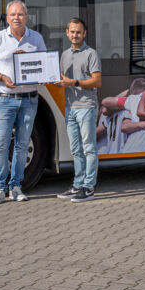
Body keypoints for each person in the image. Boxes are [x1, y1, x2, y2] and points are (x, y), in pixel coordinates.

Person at [0, 0, 46, 205]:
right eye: (12, 15)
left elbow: (44, 65)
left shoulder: (36, 38)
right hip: (5, 98)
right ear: (7, 18)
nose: (17, 18)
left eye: (20, 14)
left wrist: (43, 74)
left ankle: (16, 187)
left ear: (27, 17)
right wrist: (2, 78)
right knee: (0, 145)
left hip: (29, 99)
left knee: (22, 145)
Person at [52, 17, 102, 203]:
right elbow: (63, 82)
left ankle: (89, 188)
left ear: (84, 34)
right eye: (72, 32)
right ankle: (77, 185)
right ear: (67, 33)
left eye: (78, 32)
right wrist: (53, 82)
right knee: (76, 150)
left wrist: (73, 82)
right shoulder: (64, 55)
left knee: (89, 148)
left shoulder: (91, 54)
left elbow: (97, 81)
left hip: (86, 107)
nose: (75, 35)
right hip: (70, 108)